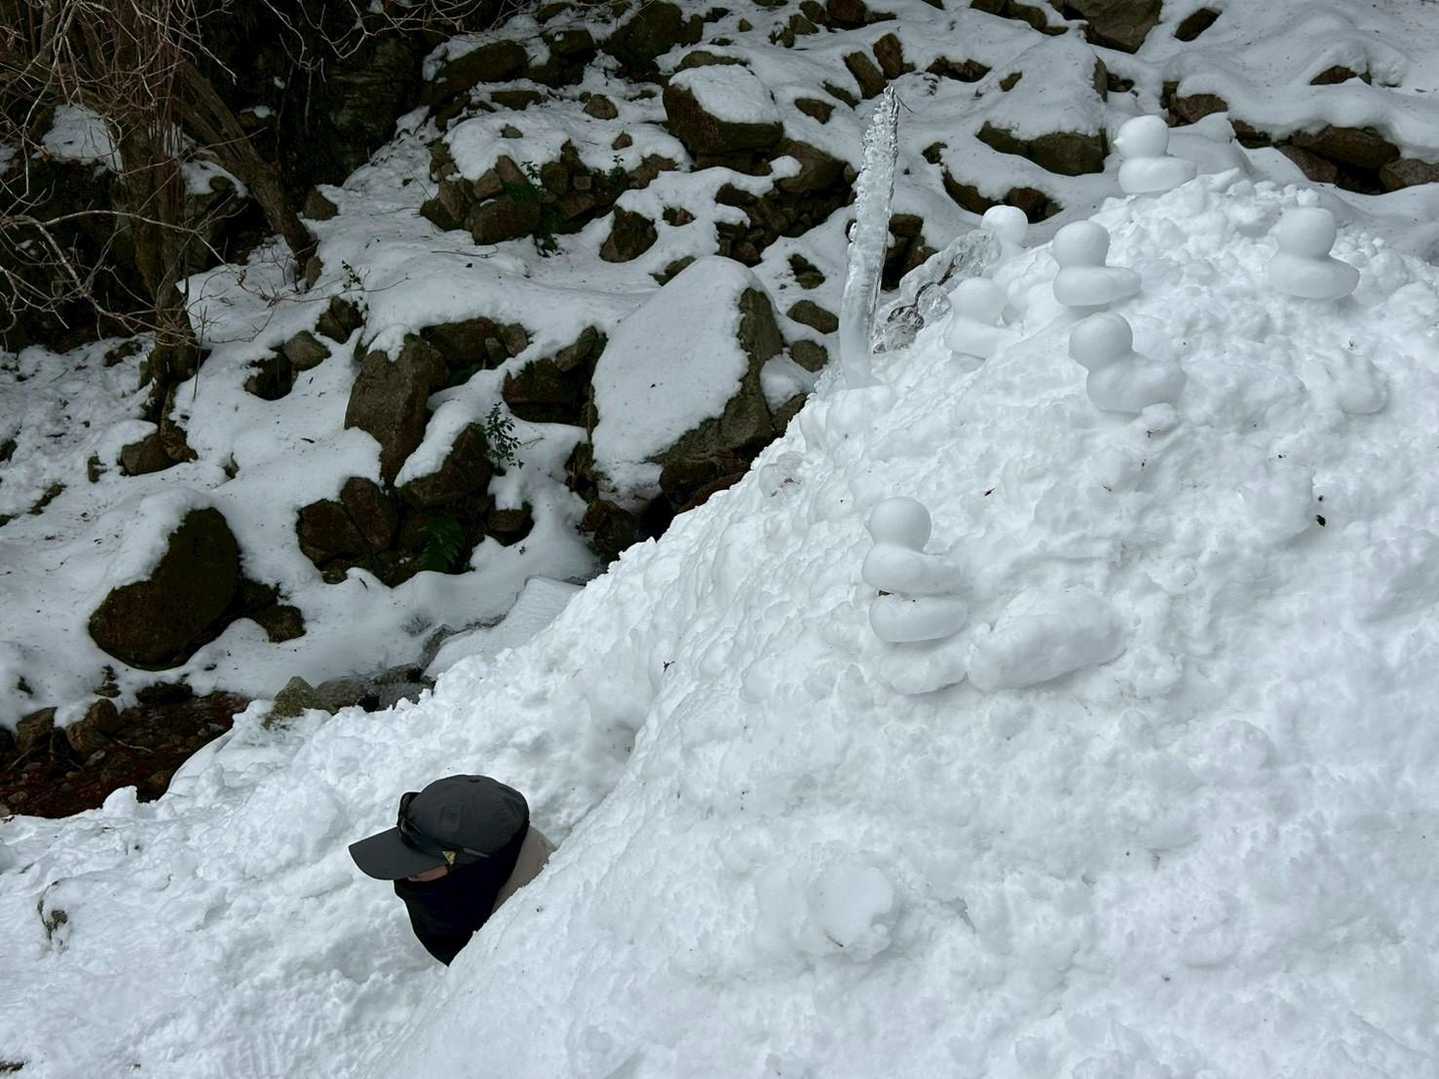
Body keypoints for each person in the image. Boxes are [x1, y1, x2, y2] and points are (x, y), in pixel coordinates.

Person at [349, 774, 554, 965]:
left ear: (476, 873)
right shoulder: (506, 861)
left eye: (416, 872)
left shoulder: (526, 948)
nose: (405, 880)